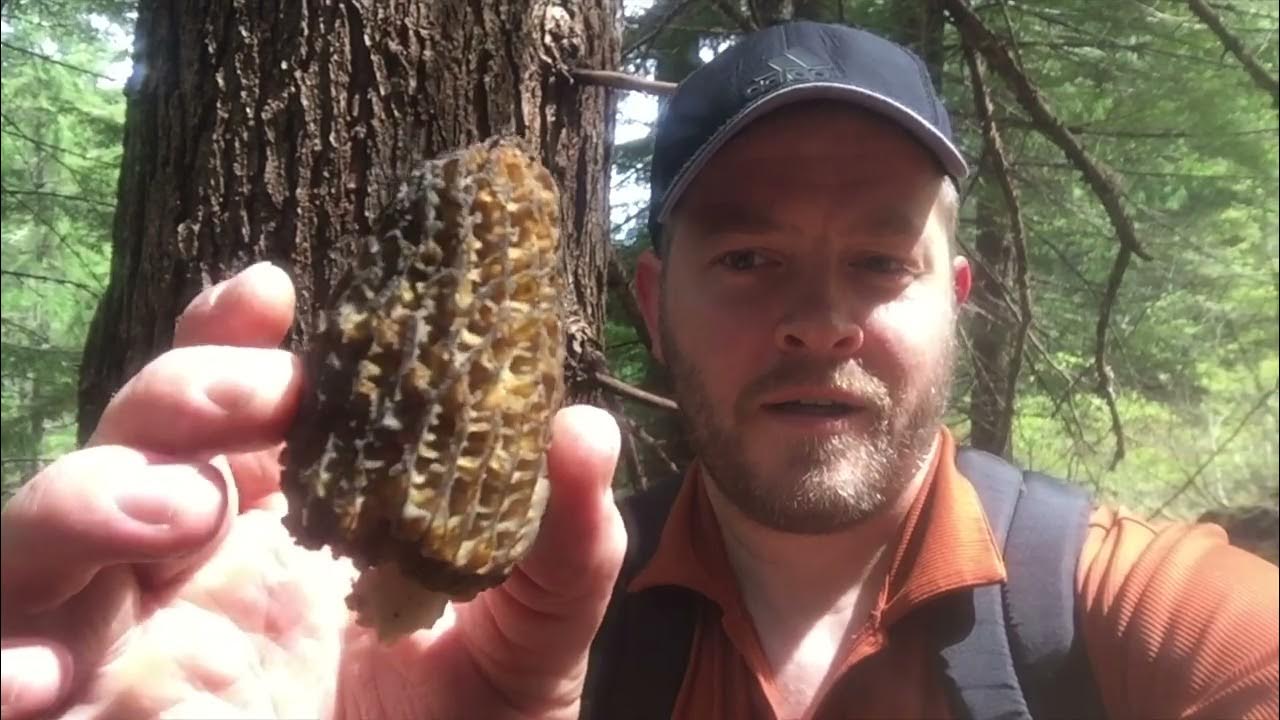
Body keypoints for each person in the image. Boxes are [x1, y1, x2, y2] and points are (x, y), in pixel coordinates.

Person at [1, 19, 1274, 720]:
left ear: (953, 300)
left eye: (880, 263)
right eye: (747, 259)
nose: (818, 321)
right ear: (651, 305)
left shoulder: (1136, 619)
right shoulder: (521, 643)